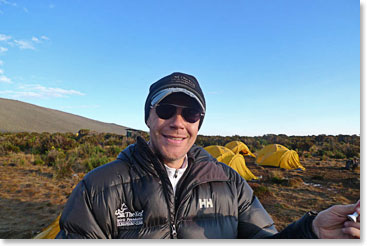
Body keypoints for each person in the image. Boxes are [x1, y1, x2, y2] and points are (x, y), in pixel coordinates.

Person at [56, 72, 360, 239]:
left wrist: (310, 231)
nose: (177, 122)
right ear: (148, 118)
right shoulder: (98, 188)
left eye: (190, 113)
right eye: (165, 110)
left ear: (199, 124)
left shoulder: (230, 183)